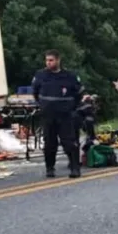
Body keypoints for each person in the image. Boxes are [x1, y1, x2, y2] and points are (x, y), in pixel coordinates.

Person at [31, 49, 82, 179]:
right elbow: (35, 92)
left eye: (51, 60)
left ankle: (75, 167)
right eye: (47, 60)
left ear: (58, 60)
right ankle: (50, 168)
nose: (48, 63)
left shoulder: (69, 76)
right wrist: (42, 105)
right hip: (48, 115)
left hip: (65, 115)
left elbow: (78, 94)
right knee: (49, 143)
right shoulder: (41, 75)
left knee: (69, 142)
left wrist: (70, 108)